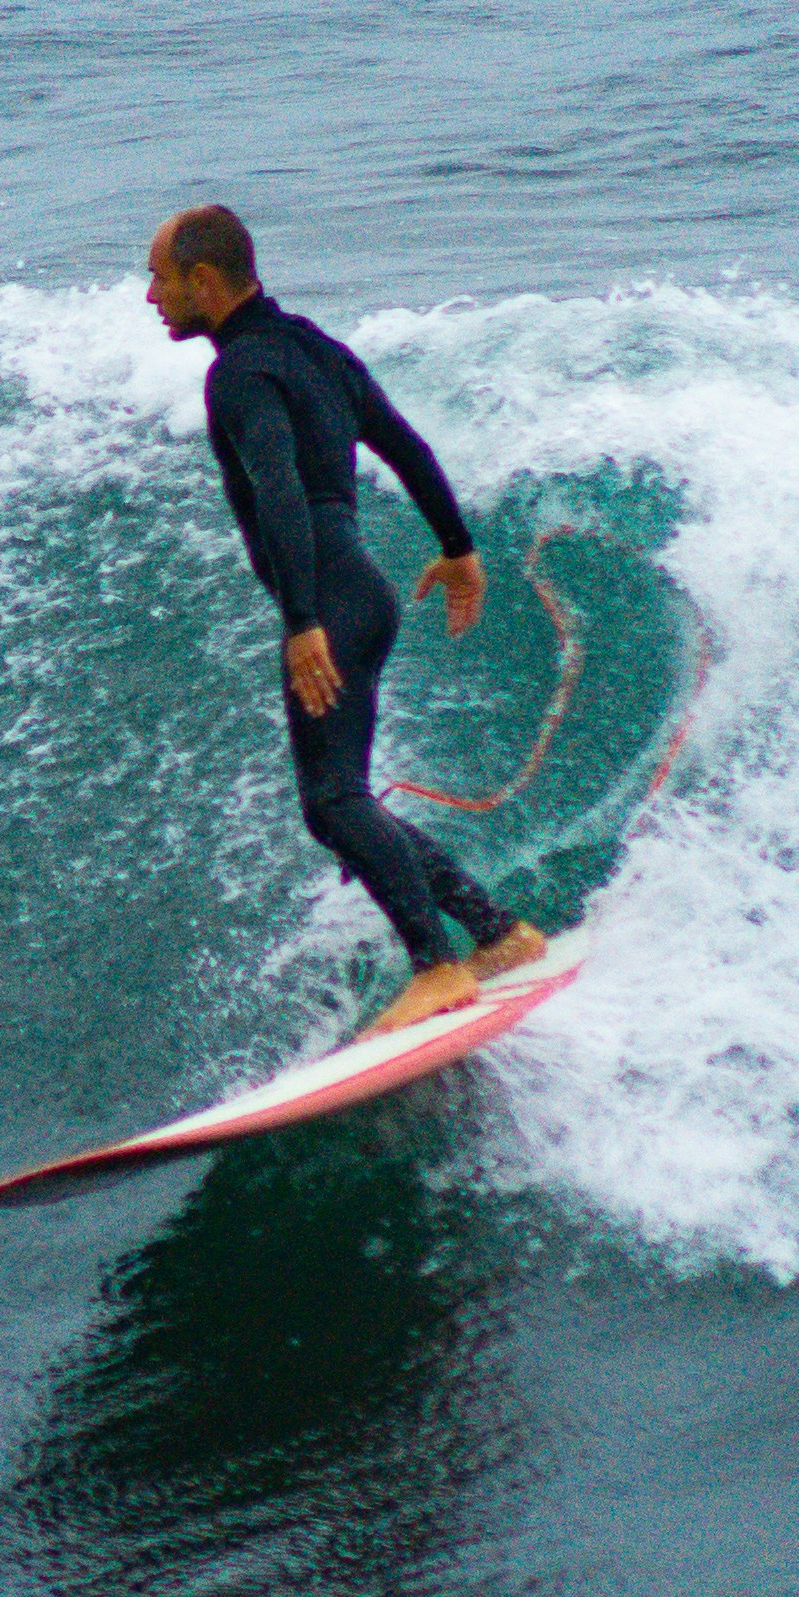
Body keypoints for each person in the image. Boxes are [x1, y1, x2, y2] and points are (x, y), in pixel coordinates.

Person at [144, 204, 552, 1036]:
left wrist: (300, 623)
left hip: (328, 602)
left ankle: (435, 968)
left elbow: (281, 490)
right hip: (360, 594)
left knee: (330, 801)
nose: (150, 297)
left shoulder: (242, 374)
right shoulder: (318, 352)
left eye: (158, 278)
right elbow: (405, 446)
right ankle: (497, 933)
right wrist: (457, 545)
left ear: (204, 280)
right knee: (342, 797)